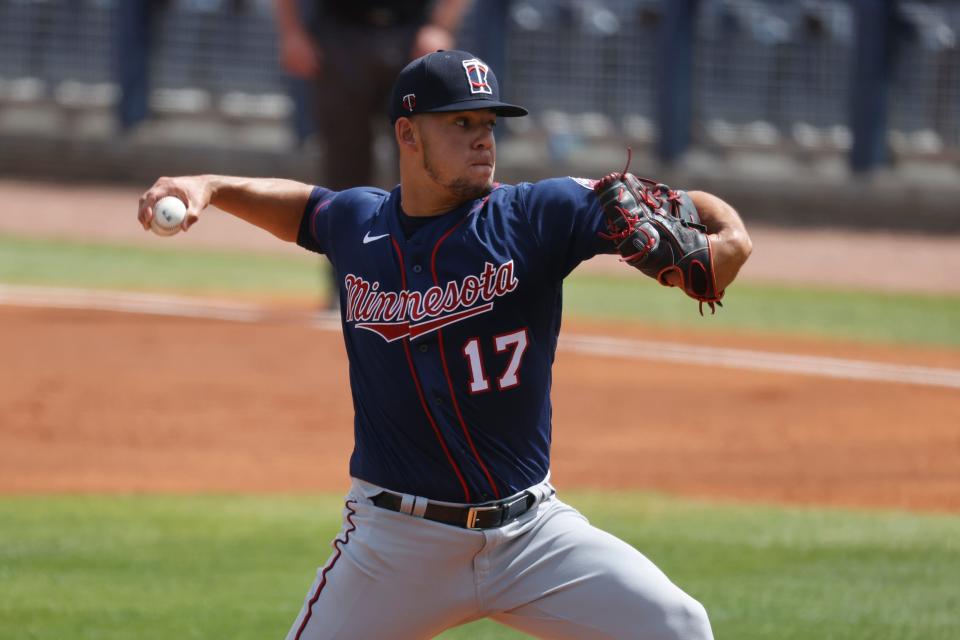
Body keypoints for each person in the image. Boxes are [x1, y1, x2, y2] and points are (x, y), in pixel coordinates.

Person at [138, 50, 752, 640]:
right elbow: (304, 208)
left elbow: (684, 207)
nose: (483, 139)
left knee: (678, 626)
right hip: (397, 547)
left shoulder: (538, 214)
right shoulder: (360, 224)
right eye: (461, 123)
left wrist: (730, 236)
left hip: (531, 536)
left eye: (488, 123)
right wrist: (209, 185)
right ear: (408, 134)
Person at [274, 0, 473, 309]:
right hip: (339, 34)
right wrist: (291, 32)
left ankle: (433, 287)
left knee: (427, 167)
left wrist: (440, 25)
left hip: (412, 33)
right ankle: (348, 286)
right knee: (344, 170)